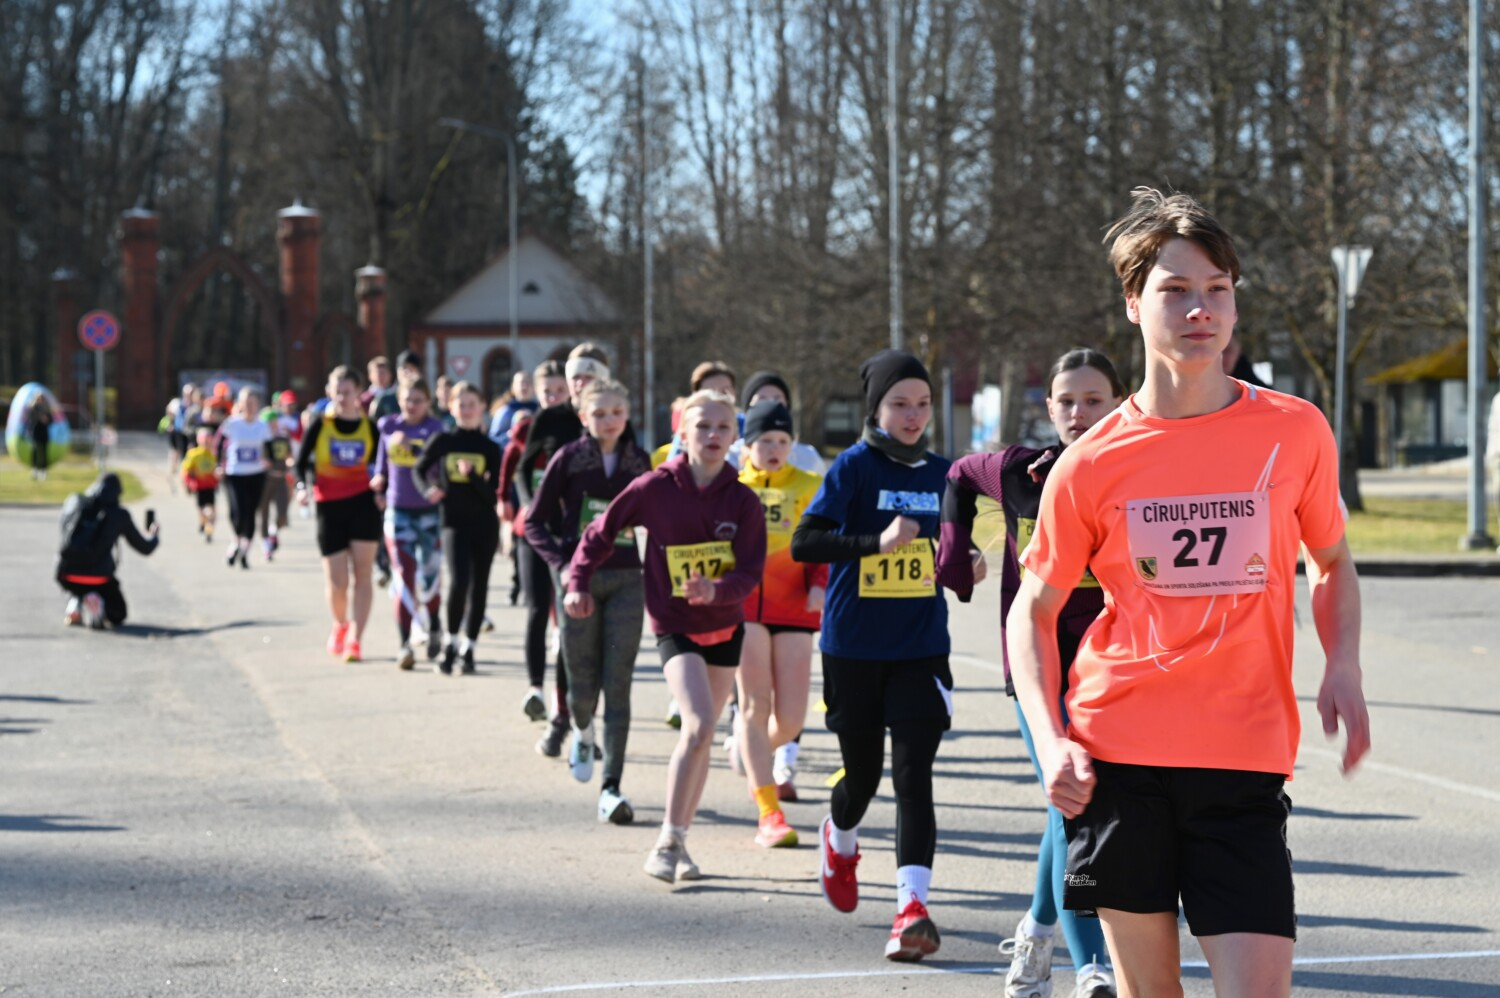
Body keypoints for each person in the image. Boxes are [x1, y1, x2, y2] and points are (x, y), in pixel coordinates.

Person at [1007, 188, 1369, 998]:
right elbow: (1032, 609)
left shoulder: (1295, 430)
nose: (1200, 309)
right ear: (1134, 304)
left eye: (1217, 289)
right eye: (1175, 290)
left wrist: (1342, 663)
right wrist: (1051, 738)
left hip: (1243, 760)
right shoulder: (1091, 462)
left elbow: (1332, 562)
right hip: (1118, 760)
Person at [937, 348, 1124, 998]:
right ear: (1048, 407)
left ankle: (1038, 931)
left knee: (1068, 804)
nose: (1079, 413)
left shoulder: (1137, 471)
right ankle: (1093, 965)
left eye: (1093, 400)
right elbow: (958, 475)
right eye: (1066, 401)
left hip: (1112, 669)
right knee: (1071, 800)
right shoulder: (1020, 473)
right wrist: (953, 550)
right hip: (1037, 665)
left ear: (1119, 403)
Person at [791, 349, 951, 962]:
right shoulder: (853, 467)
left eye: (923, 404)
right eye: (899, 404)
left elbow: (953, 549)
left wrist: (964, 563)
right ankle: (840, 838)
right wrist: (875, 543)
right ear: (876, 409)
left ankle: (912, 908)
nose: (913, 416)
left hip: (920, 648)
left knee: (913, 776)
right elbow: (806, 542)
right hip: (854, 648)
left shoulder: (943, 474)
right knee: (861, 779)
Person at [567, 387, 765, 883]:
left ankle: (682, 841)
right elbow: (600, 532)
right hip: (675, 626)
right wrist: (578, 581)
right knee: (697, 725)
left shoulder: (744, 501)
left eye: (723, 426)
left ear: (735, 436)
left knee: (703, 737)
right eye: (703, 426)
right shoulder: (654, 488)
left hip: (725, 626)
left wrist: (716, 589)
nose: (713, 435)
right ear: (682, 432)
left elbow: (750, 573)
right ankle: (667, 841)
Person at [524, 379, 652, 823]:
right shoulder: (569, 458)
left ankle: (611, 786)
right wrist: (562, 564)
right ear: (583, 416)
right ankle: (582, 730)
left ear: (628, 414)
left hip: (627, 581)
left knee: (618, 683)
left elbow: (657, 521)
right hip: (580, 582)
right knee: (581, 685)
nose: (609, 421)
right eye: (599, 413)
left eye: (617, 412)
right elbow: (534, 522)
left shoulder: (640, 462)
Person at [727, 399, 826, 844]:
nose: (774, 448)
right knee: (754, 706)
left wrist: (820, 583)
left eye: (783, 440)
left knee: (789, 720)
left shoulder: (810, 485)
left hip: (796, 608)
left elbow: (826, 538)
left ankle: (749, 751)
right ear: (747, 444)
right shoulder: (731, 486)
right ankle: (769, 811)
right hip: (743, 606)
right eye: (765, 440)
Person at [514, 346, 610, 754]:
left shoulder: (613, 421)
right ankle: (559, 717)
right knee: (565, 630)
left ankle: (586, 723)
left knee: (595, 641)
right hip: (557, 539)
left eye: (588, 376)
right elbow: (522, 468)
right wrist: (529, 507)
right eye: (574, 378)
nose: (579, 384)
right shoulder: (550, 418)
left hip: (601, 542)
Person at [294, 365, 384, 663]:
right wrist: (301, 487)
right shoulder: (320, 425)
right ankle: (340, 623)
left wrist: (382, 489)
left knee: (362, 574)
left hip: (363, 505)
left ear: (359, 393)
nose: (343, 398)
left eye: (348, 392)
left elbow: (381, 466)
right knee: (337, 582)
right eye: (338, 392)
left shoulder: (371, 428)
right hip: (329, 507)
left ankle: (356, 639)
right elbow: (301, 462)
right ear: (329, 392)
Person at [414, 381, 503, 675]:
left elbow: (493, 494)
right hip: (453, 522)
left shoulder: (490, 448)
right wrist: (429, 489)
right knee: (459, 581)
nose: (466, 410)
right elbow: (419, 469)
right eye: (460, 405)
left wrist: (473, 477)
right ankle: (451, 642)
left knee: (479, 586)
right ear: (451, 407)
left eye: (471, 404)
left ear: (482, 407)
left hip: (484, 524)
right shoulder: (444, 441)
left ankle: (470, 647)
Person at [370, 378, 446, 670]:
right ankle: (404, 644)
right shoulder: (389, 426)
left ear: (428, 402)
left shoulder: (436, 429)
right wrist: (379, 482)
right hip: (398, 509)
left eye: (418, 400)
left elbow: (437, 467)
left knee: (429, 576)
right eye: (407, 400)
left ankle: (434, 625)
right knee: (404, 575)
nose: (412, 406)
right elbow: (382, 463)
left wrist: (413, 451)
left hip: (429, 512)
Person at [57, 472, 159, 628]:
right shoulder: (119, 515)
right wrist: (154, 536)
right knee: (118, 614)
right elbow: (145, 548)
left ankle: (75, 602)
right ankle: (96, 601)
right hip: (100, 577)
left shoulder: (75, 502)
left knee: (77, 586)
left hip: (66, 575)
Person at [216, 387, 273, 569]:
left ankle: (244, 551)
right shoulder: (232, 424)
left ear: (257, 405)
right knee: (237, 512)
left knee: (250, 513)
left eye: (252, 403)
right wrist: (219, 465)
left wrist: (269, 460)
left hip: (256, 474)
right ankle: (236, 542)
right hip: (235, 474)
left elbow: (270, 448)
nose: (249, 407)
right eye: (245, 403)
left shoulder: (262, 425)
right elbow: (219, 444)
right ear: (239, 405)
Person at [728, 371, 827, 474]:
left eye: (777, 399)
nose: (770, 404)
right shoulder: (731, 457)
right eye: (762, 399)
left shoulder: (808, 457)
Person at [257, 390, 301, 561]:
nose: (272, 425)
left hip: (281, 478)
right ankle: (265, 543)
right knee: (264, 513)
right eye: (269, 422)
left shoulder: (283, 437)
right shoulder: (260, 440)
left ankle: (273, 531)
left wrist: (290, 462)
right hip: (264, 480)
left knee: (283, 514)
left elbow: (289, 455)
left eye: (274, 421)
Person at [181, 427, 220, 541]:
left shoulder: (214, 454)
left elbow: (217, 469)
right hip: (199, 487)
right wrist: (188, 484)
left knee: (211, 512)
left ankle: (208, 530)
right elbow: (186, 471)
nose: (207, 443)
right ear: (199, 440)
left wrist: (218, 477)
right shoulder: (193, 454)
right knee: (202, 510)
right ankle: (203, 523)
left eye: (209, 441)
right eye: (205, 441)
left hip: (211, 487)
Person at [489, 370, 539, 450]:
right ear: (513, 387)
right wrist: (509, 435)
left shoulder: (539, 410)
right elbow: (493, 439)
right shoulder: (505, 411)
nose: (524, 386)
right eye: (521, 383)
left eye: (528, 383)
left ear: (534, 387)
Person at [27, 394, 54, 481]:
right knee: (35, 451)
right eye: (39, 399)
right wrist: (39, 418)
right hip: (36, 432)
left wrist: (46, 420)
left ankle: (43, 470)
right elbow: (30, 420)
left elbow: (51, 420)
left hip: (44, 433)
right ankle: (35, 469)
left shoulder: (46, 409)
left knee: (44, 452)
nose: (40, 400)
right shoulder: (33, 409)